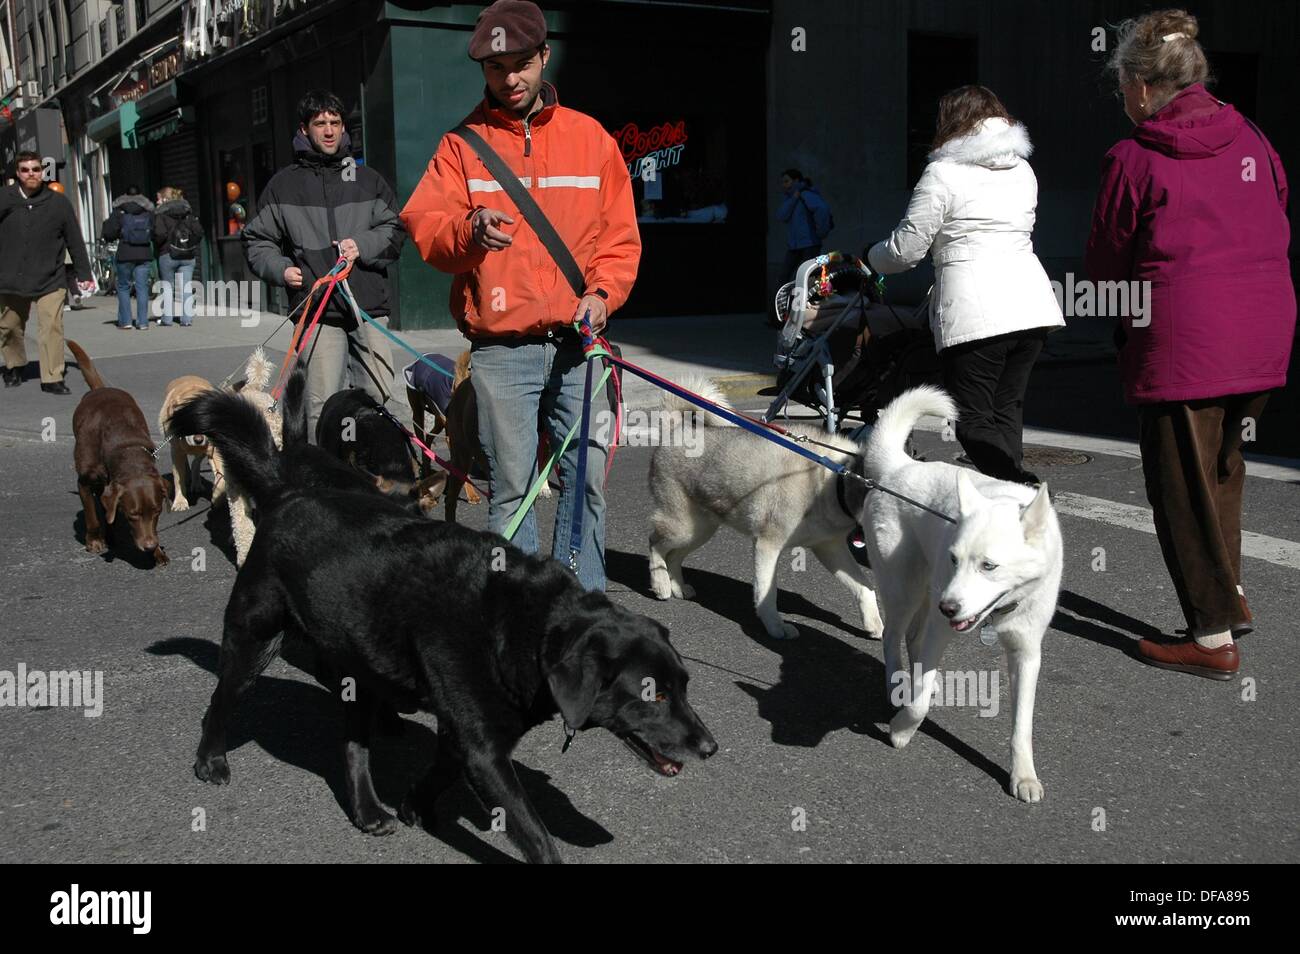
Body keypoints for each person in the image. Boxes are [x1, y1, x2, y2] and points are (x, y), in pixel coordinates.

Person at [400, 0, 641, 592]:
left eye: (519, 64)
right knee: (512, 487)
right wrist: (469, 232)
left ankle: (582, 604)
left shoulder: (593, 140)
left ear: (544, 56)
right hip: (500, 351)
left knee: (583, 479)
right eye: (493, 68)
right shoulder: (460, 146)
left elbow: (620, 238)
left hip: (579, 345)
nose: (508, 79)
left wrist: (604, 294)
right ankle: (518, 610)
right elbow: (426, 228)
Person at [1086, 9, 1294, 680]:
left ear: (1143, 87)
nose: (1122, 98)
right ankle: (1228, 592)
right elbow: (1277, 206)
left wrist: (1118, 323)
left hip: (1186, 345)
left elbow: (1107, 266)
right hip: (1263, 334)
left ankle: (1209, 639)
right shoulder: (1253, 138)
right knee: (1226, 472)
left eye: (1121, 85)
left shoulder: (1135, 156)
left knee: (1180, 485)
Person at [866, 86, 1064, 485]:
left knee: (971, 418)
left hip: (976, 312)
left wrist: (870, 257)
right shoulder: (1023, 170)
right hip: (1032, 306)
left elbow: (907, 250)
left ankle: (1019, 485)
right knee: (1007, 408)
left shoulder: (943, 173)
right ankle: (1011, 502)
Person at [243, 89, 406, 434]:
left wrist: (361, 245)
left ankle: (365, 471)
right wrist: (282, 269)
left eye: (335, 122)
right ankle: (325, 479)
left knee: (376, 395)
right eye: (320, 123)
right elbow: (257, 241)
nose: (329, 130)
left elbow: (395, 231)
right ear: (305, 130)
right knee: (321, 403)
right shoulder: (283, 186)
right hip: (316, 310)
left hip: (367, 306)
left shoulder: (368, 180)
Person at [0, 151, 94, 393]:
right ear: (17, 174)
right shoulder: (4, 198)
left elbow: (74, 239)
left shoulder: (58, 202)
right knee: (9, 326)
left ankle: (52, 377)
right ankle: (14, 364)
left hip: (50, 276)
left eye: (35, 169)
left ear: (42, 172)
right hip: (11, 277)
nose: (31, 174)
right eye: (25, 170)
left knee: (51, 327)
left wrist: (84, 274)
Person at [101, 185, 155, 330]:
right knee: (142, 287)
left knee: (123, 287)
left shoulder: (119, 211)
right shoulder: (148, 211)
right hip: (144, 253)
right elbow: (156, 231)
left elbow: (109, 233)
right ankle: (143, 322)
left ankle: (125, 321)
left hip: (125, 252)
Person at [153, 186, 201, 327]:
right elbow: (199, 232)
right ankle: (186, 319)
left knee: (168, 287)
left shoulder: (161, 215)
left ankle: (167, 319)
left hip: (167, 254)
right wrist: (190, 243)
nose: (157, 202)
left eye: (158, 199)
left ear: (165, 199)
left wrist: (160, 244)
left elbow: (159, 235)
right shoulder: (188, 212)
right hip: (187, 254)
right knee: (186, 287)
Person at [777, 169, 831, 282]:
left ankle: (813, 299)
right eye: (783, 182)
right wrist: (794, 198)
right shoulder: (790, 197)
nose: (784, 185)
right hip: (794, 245)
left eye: (787, 181)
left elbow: (822, 209)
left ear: (796, 181)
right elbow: (782, 216)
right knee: (783, 277)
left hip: (810, 245)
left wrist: (821, 232)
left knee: (811, 276)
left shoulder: (807, 194)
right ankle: (784, 299)